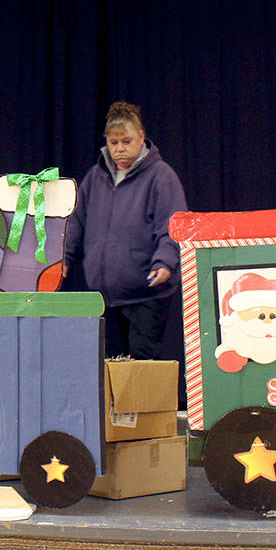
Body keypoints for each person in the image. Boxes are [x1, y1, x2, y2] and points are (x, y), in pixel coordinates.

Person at [63, 101, 188, 359]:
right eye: (113, 142)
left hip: (145, 295)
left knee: (141, 368)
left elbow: (173, 226)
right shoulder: (95, 178)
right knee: (107, 367)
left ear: (141, 137)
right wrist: (62, 259)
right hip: (105, 297)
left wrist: (165, 262)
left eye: (127, 141)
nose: (119, 149)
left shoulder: (161, 177)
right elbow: (76, 223)